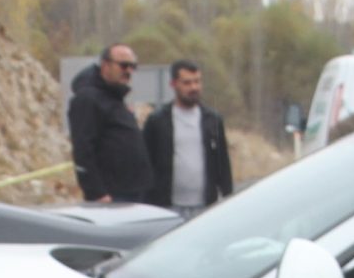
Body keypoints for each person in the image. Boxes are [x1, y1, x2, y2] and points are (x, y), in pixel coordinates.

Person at [142, 59, 233, 214]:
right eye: (187, 83)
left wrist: (228, 197)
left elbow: (222, 162)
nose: (194, 87)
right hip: (166, 206)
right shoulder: (157, 120)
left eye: (197, 82)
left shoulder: (212, 120)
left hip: (205, 205)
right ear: (174, 84)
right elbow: (146, 162)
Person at [67, 45, 152, 203]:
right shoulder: (88, 99)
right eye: (123, 65)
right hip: (111, 195)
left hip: (133, 191)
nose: (128, 71)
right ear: (105, 65)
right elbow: (83, 149)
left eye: (133, 66)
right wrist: (96, 192)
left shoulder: (114, 97)